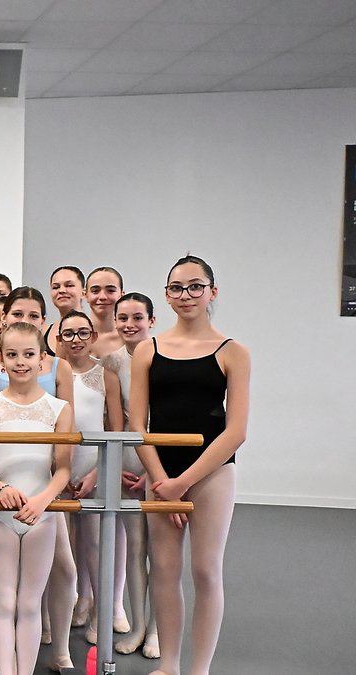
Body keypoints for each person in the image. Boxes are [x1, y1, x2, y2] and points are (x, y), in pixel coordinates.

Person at [131, 255, 249, 675]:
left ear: (212, 292)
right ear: (166, 294)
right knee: (163, 569)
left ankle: (199, 669)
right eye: (177, 288)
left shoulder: (233, 352)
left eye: (195, 287)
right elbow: (136, 425)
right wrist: (163, 480)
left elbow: (235, 431)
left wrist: (184, 482)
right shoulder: (148, 349)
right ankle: (169, 663)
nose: (186, 295)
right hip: (162, 473)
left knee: (205, 570)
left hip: (212, 472)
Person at [0, 286, 75, 669]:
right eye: (11, 355)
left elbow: (62, 467)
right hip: (0, 511)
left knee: (30, 602)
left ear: (43, 359)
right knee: (5, 601)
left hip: (42, 514)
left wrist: (43, 499)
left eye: (29, 355)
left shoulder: (58, 409)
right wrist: (3, 488)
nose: (21, 362)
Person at [57, 310, 125, 643]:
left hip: (93, 466)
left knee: (96, 542)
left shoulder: (105, 374)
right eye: (68, 334)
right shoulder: (52, 372)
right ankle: (72, 603)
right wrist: (60, 468)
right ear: (58, 338)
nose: (76, 340)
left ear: (93, 336)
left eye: (83, 333)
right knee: (65, 546)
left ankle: (102, 608)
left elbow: (115, 428)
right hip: (60, 468)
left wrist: (96, 472)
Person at [102, 292, 160, 658]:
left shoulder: (165, 356)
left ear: (151, 321)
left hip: (160, 461)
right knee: (135, 547)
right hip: (126, 461)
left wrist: (155, 471)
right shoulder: (111, 361)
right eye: (122, 318)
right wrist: (120, 465)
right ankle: (138, 624)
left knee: (162, 551)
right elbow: (115, 419)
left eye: (137, 317)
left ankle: (157, 629)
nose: (129, 325)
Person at [85, 266, 125, 359]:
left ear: (121, 295)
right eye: (95, 291)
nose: (102, 297)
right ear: (85, 295)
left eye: (110, 290)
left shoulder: (131, 338)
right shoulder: (72, 336)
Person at [45, 266, 86, 356]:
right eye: (56, 287)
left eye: (69, 285)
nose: (62, 290)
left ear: (83, 293)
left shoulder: (94, 329)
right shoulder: (45, 332)